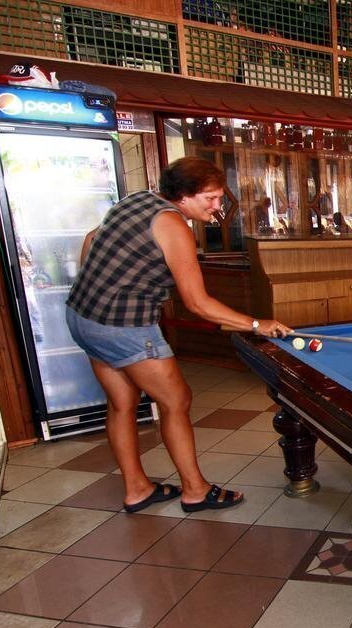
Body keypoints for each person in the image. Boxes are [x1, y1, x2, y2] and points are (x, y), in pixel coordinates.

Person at [66, 157, 294, 513]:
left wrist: (100, 290)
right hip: (124, 326)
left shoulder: (138, 199)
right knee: (176, 400)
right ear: (184, 196)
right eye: (210, 198)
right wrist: (256, 324)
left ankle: (137, 489)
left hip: (82, 316)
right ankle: (195, 490)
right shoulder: (173, 225)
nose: (217, 207)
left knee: (122, 403)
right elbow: (197, 303)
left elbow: (91, 238)